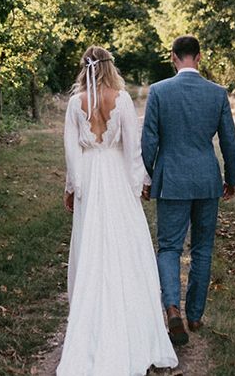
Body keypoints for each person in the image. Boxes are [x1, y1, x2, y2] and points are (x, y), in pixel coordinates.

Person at [57, 46, 178, 376]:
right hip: (116, 176)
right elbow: (132, 148)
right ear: (110, 67)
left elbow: (71, 150)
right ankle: (130, 319)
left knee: (91, 246)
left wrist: (73, 186)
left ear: (85, 68)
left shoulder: (75, 103)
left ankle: (92, 317)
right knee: (126, 247)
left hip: (90, 177)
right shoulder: (122, 99)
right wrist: (138, 183)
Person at [141, 35, 235, 346]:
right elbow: (229, 140)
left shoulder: (159, 91)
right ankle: (195, 315)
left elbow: (149, 141)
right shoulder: (217, 93)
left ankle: (172, 308)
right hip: (207, 180)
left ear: (173, 57)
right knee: (202, 248)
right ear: (199, 57)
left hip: (172, 180)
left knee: (169, 248)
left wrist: (150, 176)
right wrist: (231, 178)